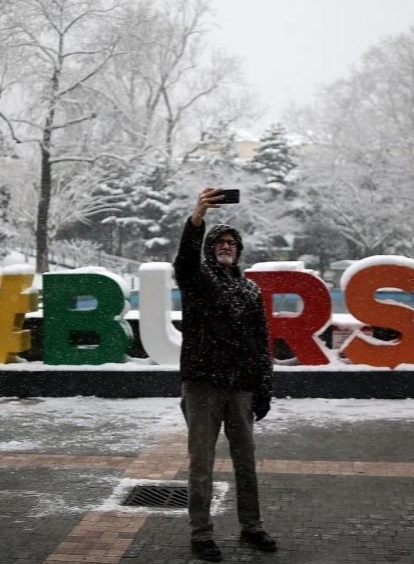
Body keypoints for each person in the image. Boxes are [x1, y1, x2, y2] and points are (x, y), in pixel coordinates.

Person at [173, 187, 277, 562]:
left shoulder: (250, 290)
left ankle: (252, 526)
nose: (226, 246)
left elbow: (260, 342)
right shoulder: (198, 280)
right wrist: (197, 218)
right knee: (201, 463)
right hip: (203, 387)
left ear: (239, 250)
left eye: (232, 243)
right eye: (220, 242)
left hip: (241, 389)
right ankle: (201, 534)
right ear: (209, 248)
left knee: (245, 461)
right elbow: (185, 260)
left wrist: (263, 388)